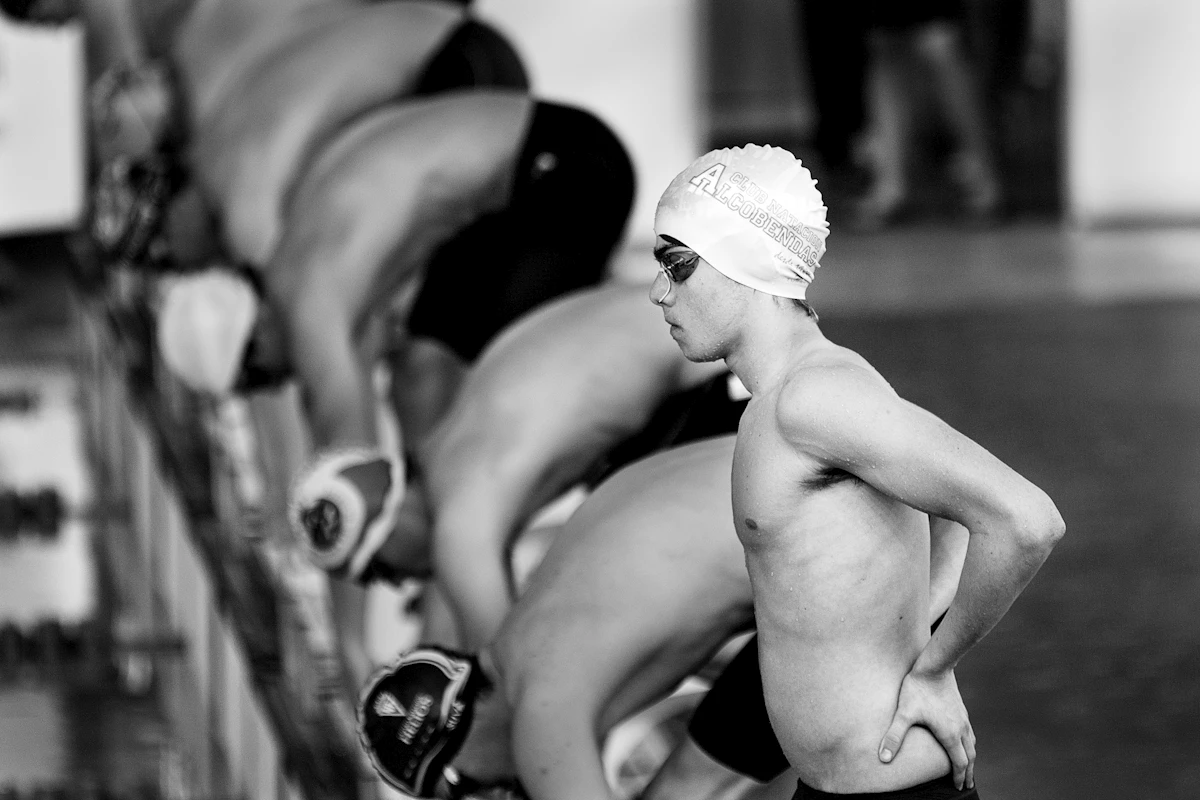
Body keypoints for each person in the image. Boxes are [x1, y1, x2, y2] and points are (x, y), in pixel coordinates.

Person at [648, 144, 1064, 797]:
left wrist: (934, 666)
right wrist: (919, 640)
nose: (658, 291)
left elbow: (1025, 520)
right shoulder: (800, 392)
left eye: (677, 265)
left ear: (742, 262)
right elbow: (952, 518)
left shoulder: (813, 398)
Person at [355, 435, 972, 800]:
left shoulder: (540, 712)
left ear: (463, 737)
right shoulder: (534, 627)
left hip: (845, 564)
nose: (493, 792)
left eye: (463, 785)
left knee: (679, 791)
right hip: (883, 505)